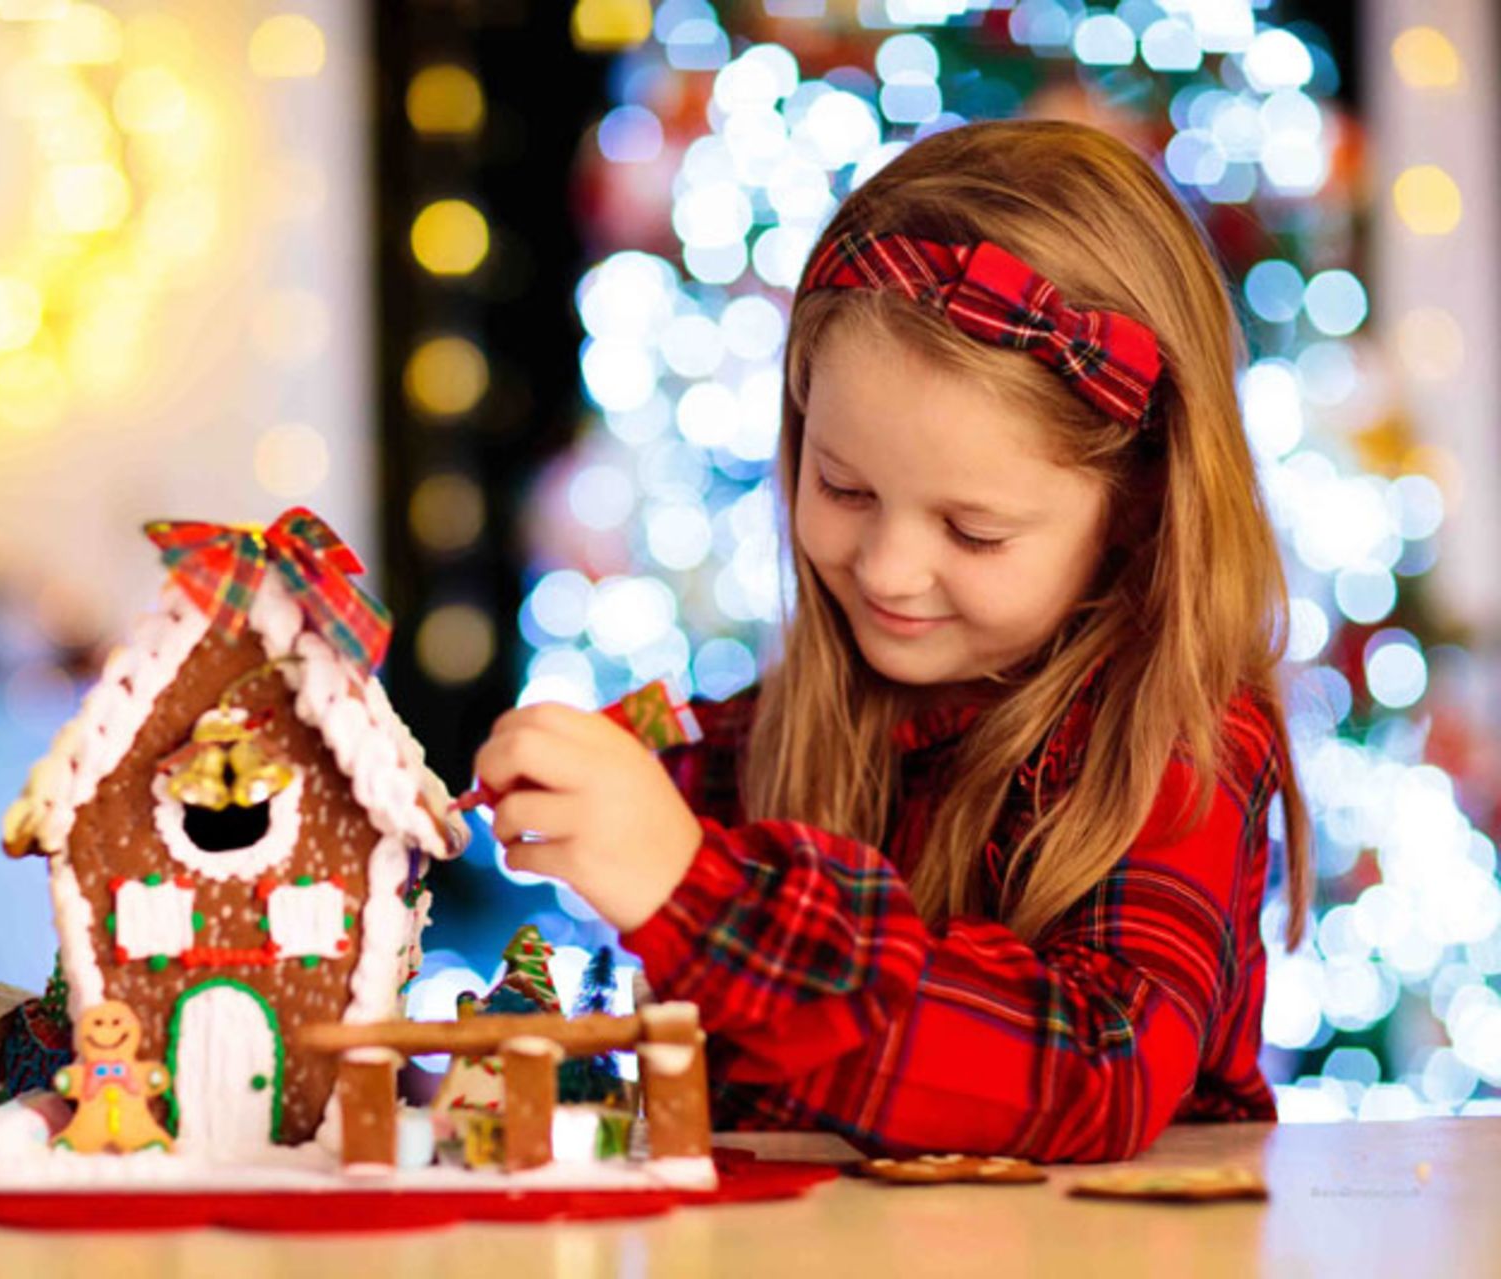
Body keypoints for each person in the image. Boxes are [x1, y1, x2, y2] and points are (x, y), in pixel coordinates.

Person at [470, 119, 1313, 1163]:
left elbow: (1101, 1072)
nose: (885, 569)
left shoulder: (1176, 742)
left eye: (973, 530)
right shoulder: (747, 749)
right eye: (844, 488)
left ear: (1137, 509)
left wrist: (694, 893)